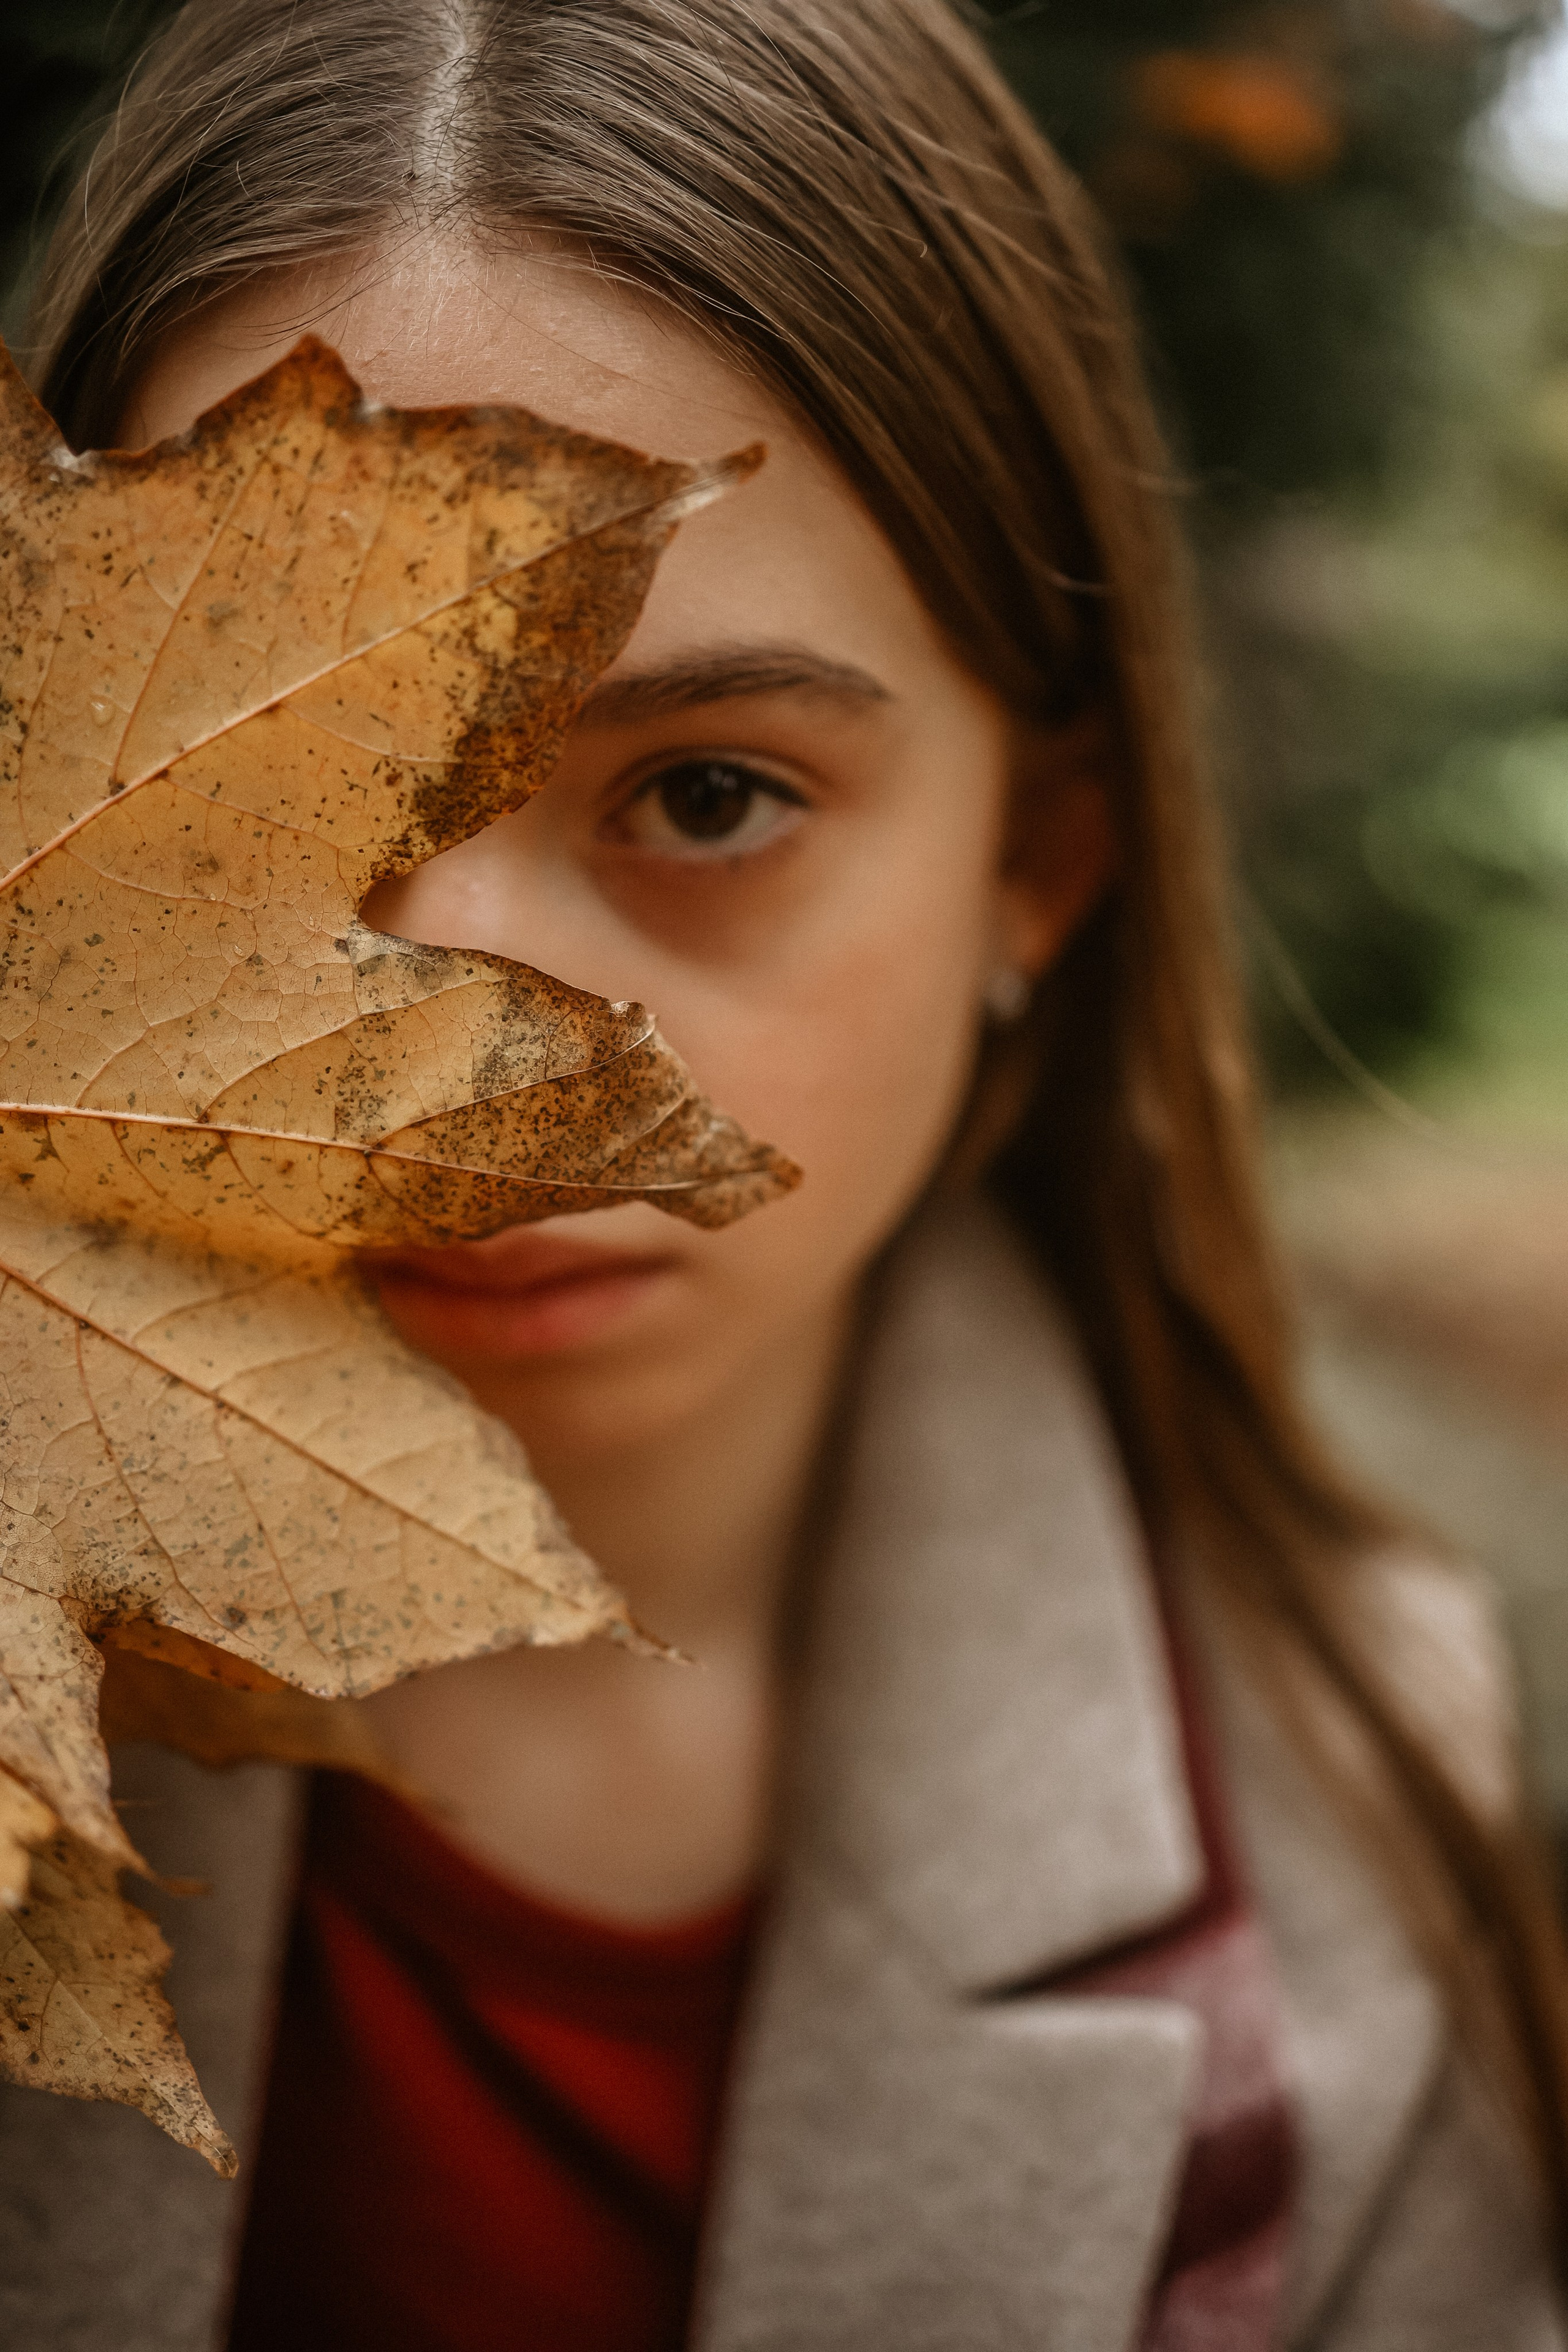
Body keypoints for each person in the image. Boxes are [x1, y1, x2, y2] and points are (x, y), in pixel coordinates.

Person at [3, 2, 1566, 2345]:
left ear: (1037, 867)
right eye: (278, 798)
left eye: (709, 796)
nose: (459, 1075)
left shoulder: (1374, 1860)